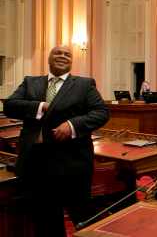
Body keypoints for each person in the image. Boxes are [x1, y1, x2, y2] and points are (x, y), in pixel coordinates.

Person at [3, 45, 109, 236]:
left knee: (82, 219)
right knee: (46, 221)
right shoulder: (31, 82)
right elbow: (10, 106)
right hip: (36, 164)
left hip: (72, 163)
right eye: (57, 53)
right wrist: (40, 106)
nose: (62, 56)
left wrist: (72, 125)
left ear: (72, 60)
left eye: (67, 54)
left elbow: (101, 113)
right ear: (49, 58)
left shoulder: (84, 85)